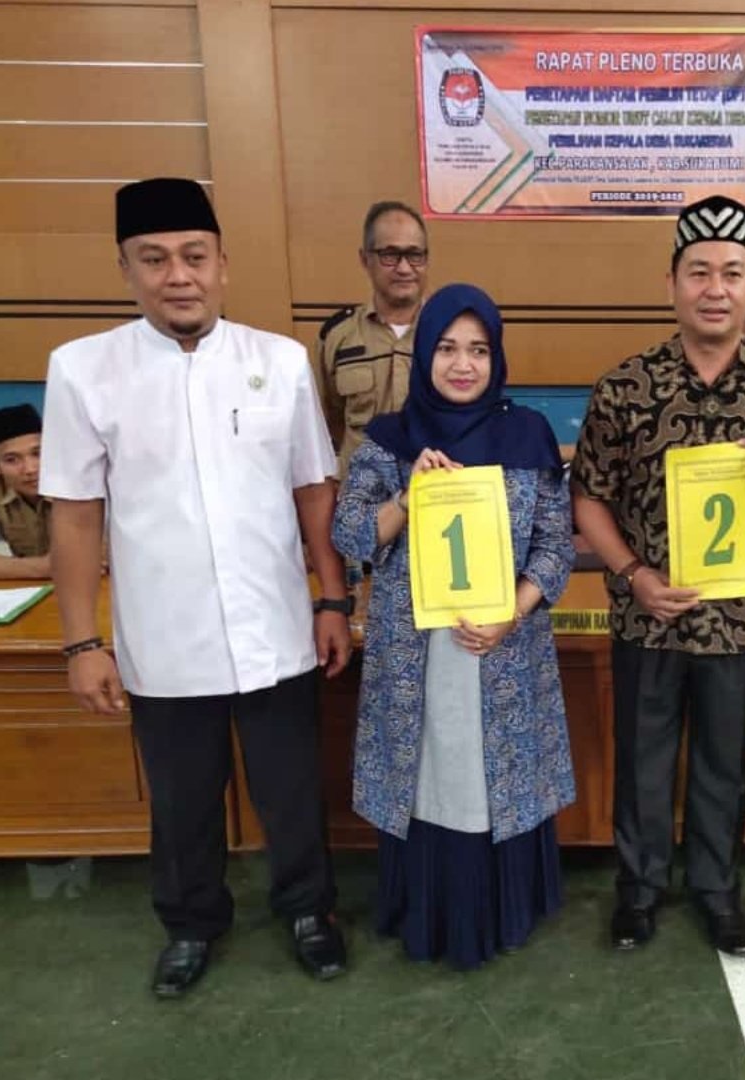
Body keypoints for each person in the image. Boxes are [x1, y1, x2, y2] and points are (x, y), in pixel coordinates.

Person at [39, 177, 351, 998]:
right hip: (163, 639)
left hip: (276, 629)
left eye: (194, 256)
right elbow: (75, 515)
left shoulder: (277, 362)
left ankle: (309, 910)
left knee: (293, 791)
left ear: (222, 264)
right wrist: (81, 642)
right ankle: (190, 924)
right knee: (180, 802)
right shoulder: (83, 371)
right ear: (125, 269)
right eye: (154, 259)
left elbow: (313, 492)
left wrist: (331, 599)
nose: (178, 275)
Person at [571, 195, 745, 956]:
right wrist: (632, 573)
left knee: (726, 767)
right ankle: (639, 891)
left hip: (740, 622)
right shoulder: (626, 386)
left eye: (732, 272)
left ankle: (718, 891)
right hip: (649, 615)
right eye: (699, 272)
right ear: (671, 284)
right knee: (643, 764)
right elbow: (588, 497)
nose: (715, 289)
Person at [332, 283, 575, 969]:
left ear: (496, 357)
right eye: (446, 348)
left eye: (478, 350)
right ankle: (428, 911)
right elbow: (350, 534)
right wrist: (409, 499)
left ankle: (502, 910)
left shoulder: (527, 435)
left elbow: (556, 544)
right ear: (424, 355)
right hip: (418, 656)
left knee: (494, 778)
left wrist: (513, 611)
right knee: (430, 777)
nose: (463, 364)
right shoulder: (388, 439)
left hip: (504, 648)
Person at [315, 200, 430, 473]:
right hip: (362, 493)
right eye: (390, 255)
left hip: (432, 491)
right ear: (365, 259)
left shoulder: (449, 334)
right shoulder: (339, 336)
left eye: (415, 255)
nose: (404, 268)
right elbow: (326, 422)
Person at [0, 404, 51, 579]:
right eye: (12, 460)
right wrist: (42, 568)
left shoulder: (81, 483)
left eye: (37, 454)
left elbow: (101, 558)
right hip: (32, 587)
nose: (30, 469)